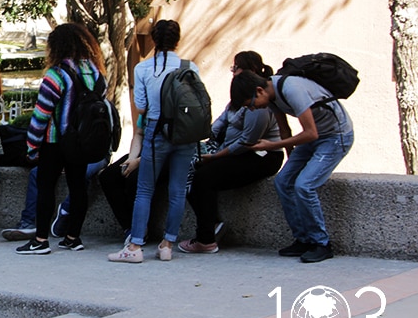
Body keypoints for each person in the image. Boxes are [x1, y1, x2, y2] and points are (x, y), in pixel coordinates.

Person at [230, 65, 354, 264]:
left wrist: (273, 145)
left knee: (304, 185)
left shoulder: (292, 89)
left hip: (334, 137)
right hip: (313, 138)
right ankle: (303, 239)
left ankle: (321, 243)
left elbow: (310, 132)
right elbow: (285, 129)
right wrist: (291, 161)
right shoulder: (271, 95)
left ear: (259, 91)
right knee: (283, 181)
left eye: (251, 104)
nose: (253, 109)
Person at [109, 20, 198, 263]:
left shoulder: (144, 68)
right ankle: (168, 244)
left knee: (144, 190)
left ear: (153, 40)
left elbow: (142, 106)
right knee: (178, 190)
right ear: (177, 40)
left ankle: (135, 246)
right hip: (185, 134)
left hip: (157, 131)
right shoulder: (191, 66)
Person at [179, 51, 284, 254]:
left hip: (260, 155)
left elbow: (247, 142)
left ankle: (206, 239)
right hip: (232, 150)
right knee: (188, 168)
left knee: (204, 177)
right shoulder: (240, 95)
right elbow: (221, 121)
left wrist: (216, 157)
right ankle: (212, 224)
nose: (233, 71)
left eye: (237, 68)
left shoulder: (259, 104)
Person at [17, 23, 103, 255]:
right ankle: (73, 237)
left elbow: (41, 114)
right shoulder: (95, 72)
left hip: (55, 141)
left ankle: (41, 239)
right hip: (82, 141)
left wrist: (32, 146)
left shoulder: (56, 75)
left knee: (46, 187)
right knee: (78, 188)